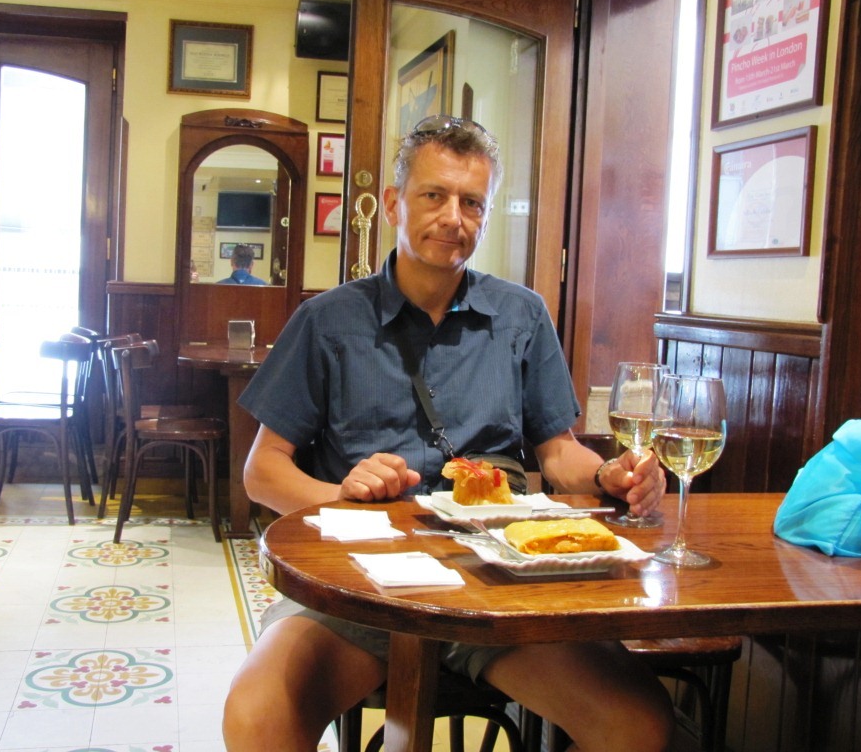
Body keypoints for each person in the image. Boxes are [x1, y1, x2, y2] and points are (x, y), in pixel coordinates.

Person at [222, 115, 675, 751]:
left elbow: (557, 451)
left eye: (472, 203)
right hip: (358, 583)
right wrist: (340, 495)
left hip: (496, 585)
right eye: (433, 195)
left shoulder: (521, 315)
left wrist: (609, 475)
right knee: (256, 716)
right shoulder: (326, 320)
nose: (452, 218)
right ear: (393, 205)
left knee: (637, 725)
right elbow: (262, 471)